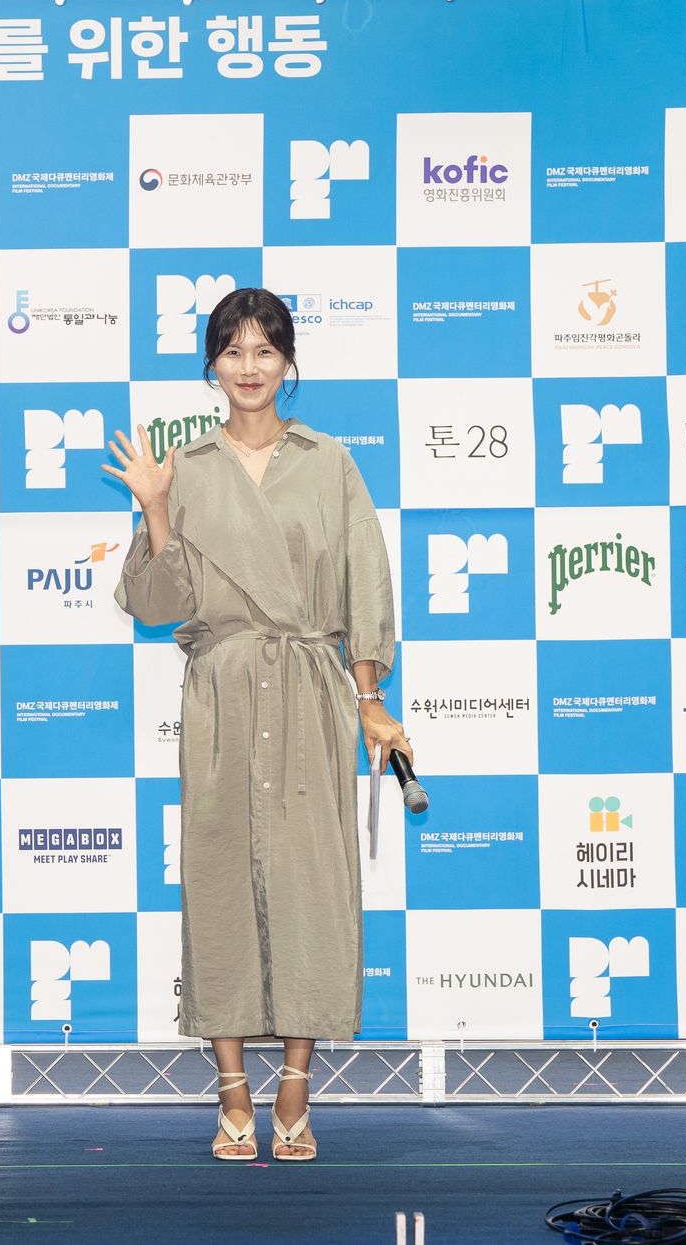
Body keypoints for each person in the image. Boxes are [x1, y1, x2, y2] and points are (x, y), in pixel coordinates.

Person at [107, 287, 411, 1164]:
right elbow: (157, 604)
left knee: (313, 883)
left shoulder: (330, 461)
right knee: (221, 880)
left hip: (313, 690)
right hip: (223, 691)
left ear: (288, 363)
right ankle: (232, 1089)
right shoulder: (185, 466)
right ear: (212, 366)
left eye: (264, 350)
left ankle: (296, 1088)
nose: (249, 367)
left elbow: (365, 584)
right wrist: (156, 508)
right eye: (232, 351)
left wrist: (370, 697)